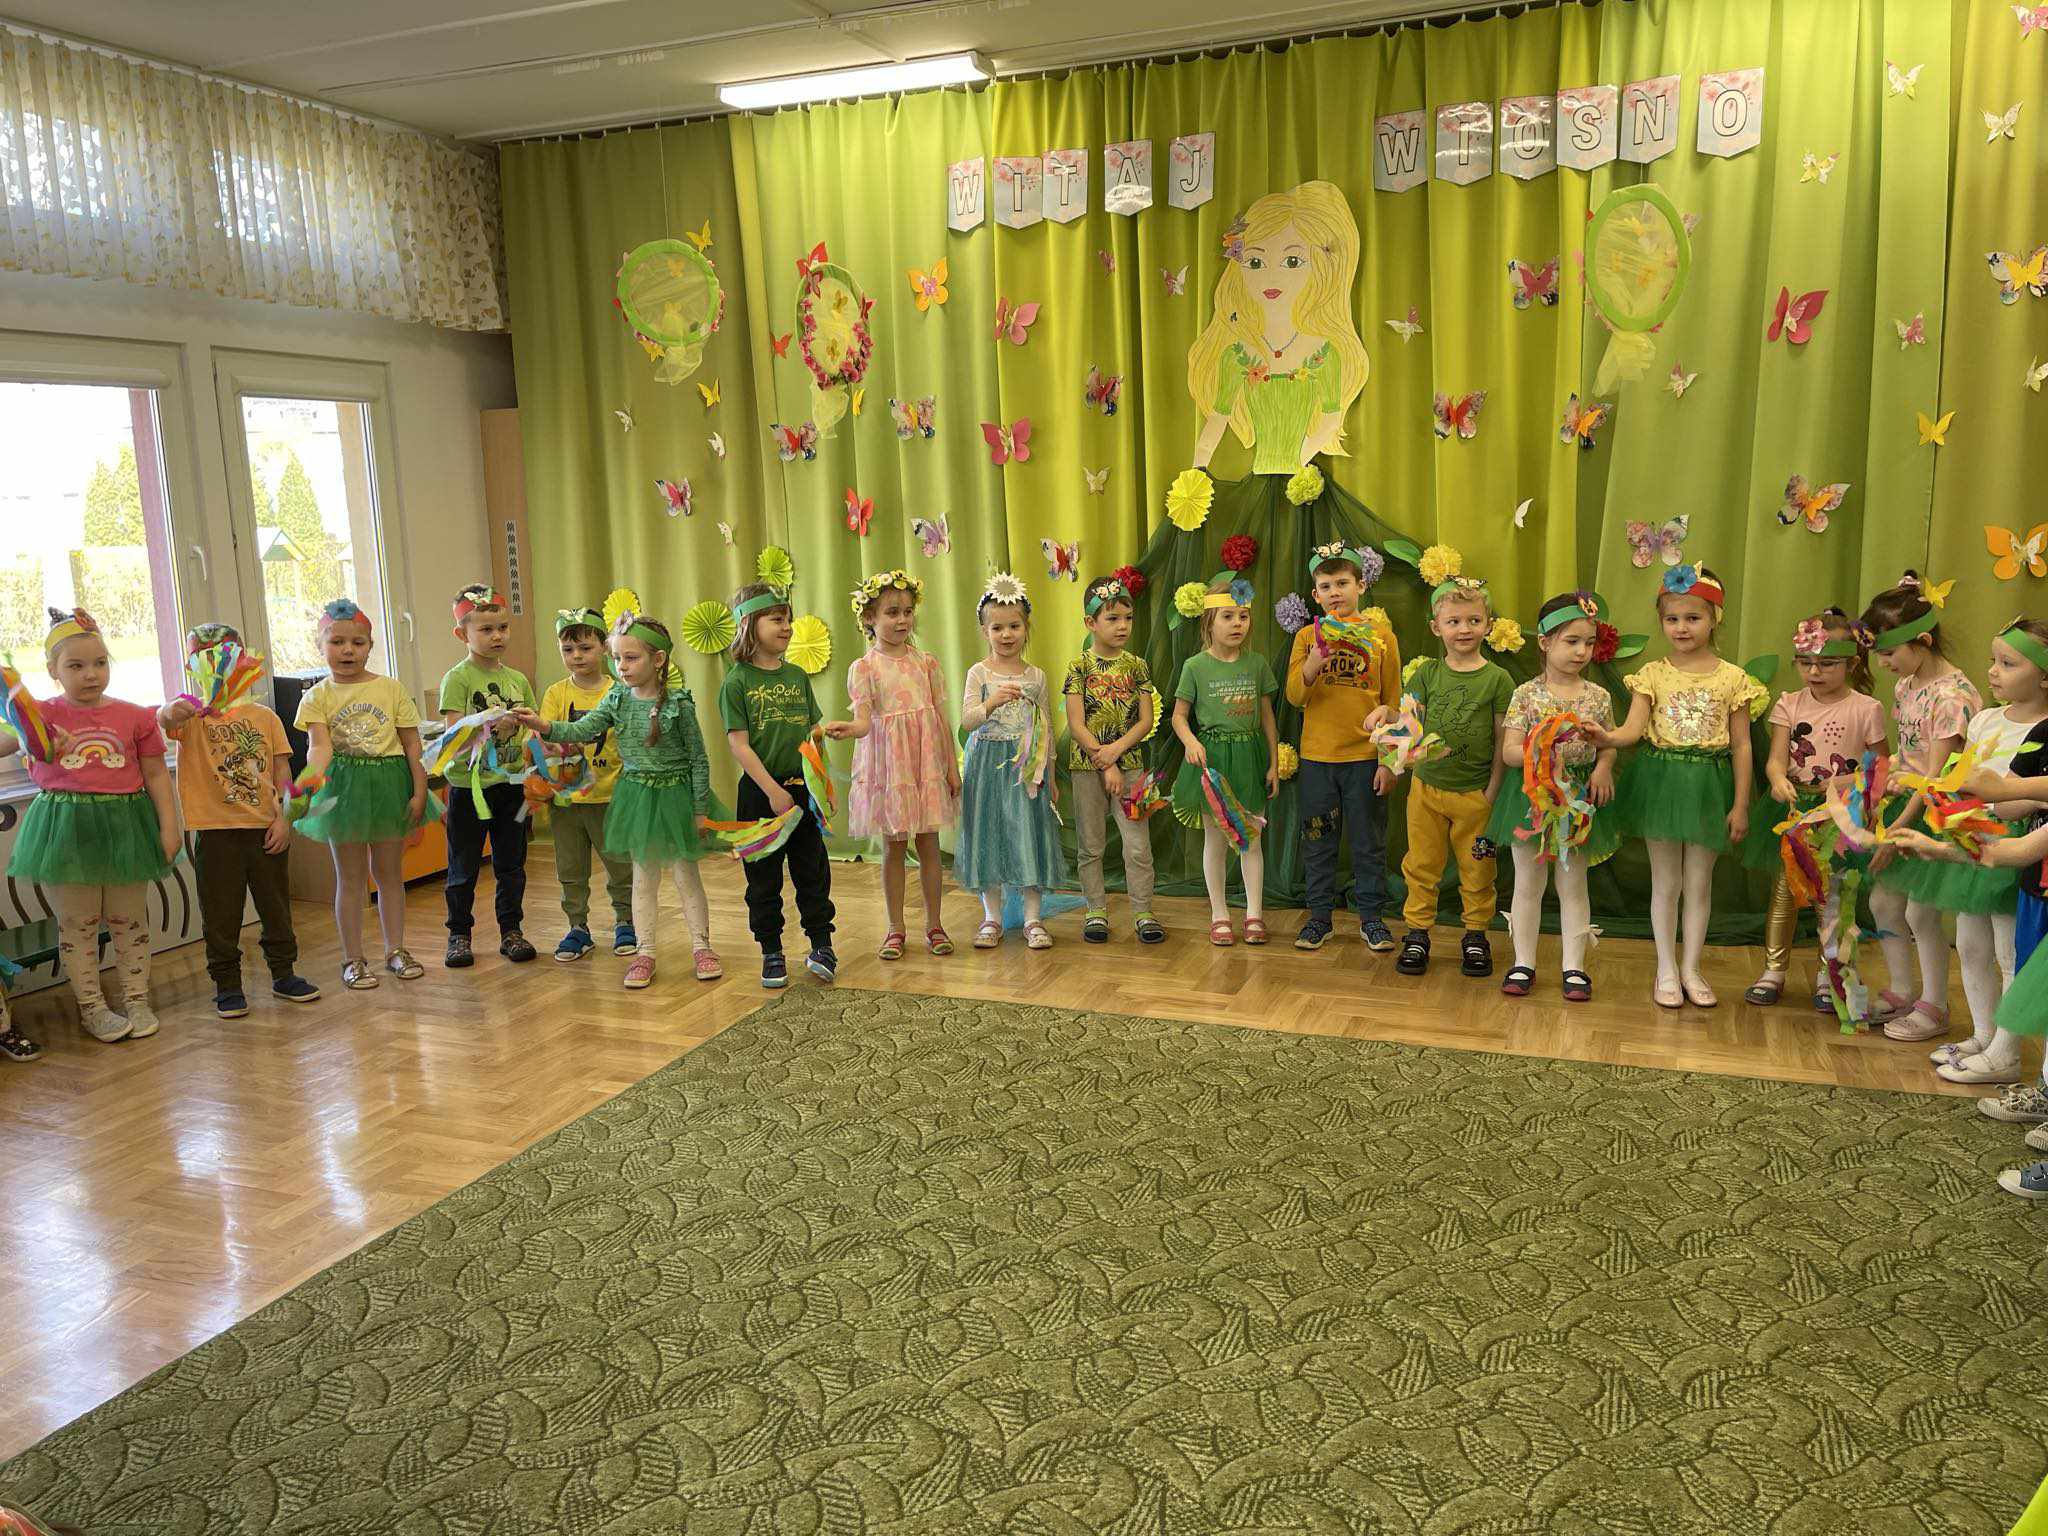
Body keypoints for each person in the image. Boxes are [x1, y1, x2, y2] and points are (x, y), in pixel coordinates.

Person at [512, 607, 721, 989]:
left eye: (631, 658)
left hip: (675, 797)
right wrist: (542, 725)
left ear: (658, 659)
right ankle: (645, 952)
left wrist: (699, 810)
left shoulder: (679, 704)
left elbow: (699, 759)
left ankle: (701, 947)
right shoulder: (616, 699)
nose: (621, 666)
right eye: (617, 658)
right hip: (637, 796)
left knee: (685, 876)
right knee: (643, 878)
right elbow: (581, 729)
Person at [2, 609, 177, 1044]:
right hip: (66, 830)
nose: (91, 674)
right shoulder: (40, 715)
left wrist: (169, 827)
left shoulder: (135, 716)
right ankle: (92, 1008)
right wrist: (28, 736)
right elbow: (10, 739)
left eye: (99, 663)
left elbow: (156, 774)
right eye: (76, 666)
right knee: (78, 924)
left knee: (129, 920)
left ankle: (136, 998)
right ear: (53, 670)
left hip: (126, 826)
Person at [1596, 564, 1765, 1009]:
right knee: (1666, 883)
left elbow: (1742, 745)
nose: (1682, 627)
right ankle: (1666, 969)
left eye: (1693, 618)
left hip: (1710, 785)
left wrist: (1741, 804)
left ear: (1714, 619)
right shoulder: (1652, 673)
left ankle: (1692, 968)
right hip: (1661, 783)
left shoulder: (1733, 678)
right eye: (1672, 619)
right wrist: (1604, 737)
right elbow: (1632, 730)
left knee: (1699, 884)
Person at [157, 622, 320, 1019]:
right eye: (204, 658)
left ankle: (284, 973)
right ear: (193, 666)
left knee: (276, 907)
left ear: (244, 661)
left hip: (265, 828)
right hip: (215, 833)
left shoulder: (265, 717)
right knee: (221, 913)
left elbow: (282, 772)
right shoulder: (189, 715)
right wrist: (169, 709)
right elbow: (163, 720)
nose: (218, 665)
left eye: (226, 656)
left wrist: (284, 819)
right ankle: (227, 985)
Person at [1740, 611, 1889, 1011]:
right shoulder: (1789, 703)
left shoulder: (1867, 708)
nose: (1814, 672)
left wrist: (1845, 783)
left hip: (1840, 814)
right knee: (1785, 892)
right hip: (1795, 810)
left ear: (1852, 663)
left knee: (1834, 897)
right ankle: (1773, 971)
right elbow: (1776, 759)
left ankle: (1830, 974)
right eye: (1805, 663)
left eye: (1826, 663)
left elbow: (1881, 767)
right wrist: (1776, 779)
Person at [1921, 620, 2048, 1082]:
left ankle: (2006, 1053)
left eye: (2008, 663)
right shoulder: (1985, 719)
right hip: (1974, 836)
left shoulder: (2044, 730)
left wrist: (2001, 800)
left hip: (2018, 844)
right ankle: (1984, 1033)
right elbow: (1965, 772)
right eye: (1993, 660)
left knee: (2010, 951)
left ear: (2045, 677)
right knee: (1971, 943)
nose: (1993, 671)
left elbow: (2020, 798)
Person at [1860, 572, 1982, 1041]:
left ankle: (1935, 1005)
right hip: (1906, 804)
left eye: (1889, 653)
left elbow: (1936, 779)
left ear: (1923, 641)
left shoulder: (1952, 698)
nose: (1883, 664)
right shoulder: (1907, 685)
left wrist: (1897, 833)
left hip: (1936, 814)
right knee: (1883, 902)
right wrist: (1876, 790)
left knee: (1921, 913)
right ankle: (1902, 990)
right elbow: (1906, 755)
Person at [294, 599, 438, 990]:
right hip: (344, 791)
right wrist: (305, 785)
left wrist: (419, 790)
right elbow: (319, 748)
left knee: (389, 874)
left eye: (357, 643)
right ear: (321, 646)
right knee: (350, 878)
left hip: (390, 784)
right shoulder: (317, 696)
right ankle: (353, 959)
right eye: (337, 642)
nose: (347, 651)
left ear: (370, 646)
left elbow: (412, 745)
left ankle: (396, 950)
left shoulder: (390, 688)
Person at [1489, 592, 1620, 1001]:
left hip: (1576, 801)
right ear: (1545, 643)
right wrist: (1540, 752)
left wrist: (1603, 766)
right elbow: (1509, 752)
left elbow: (1608, 743)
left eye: (1589, 643)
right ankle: (1523, 962)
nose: (1582, 651)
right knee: (1528, 882)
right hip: (1532, 797)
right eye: (1571, 641)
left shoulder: (1598, 697)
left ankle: (1574, 967)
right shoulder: (1526, 695)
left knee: (1573, 882)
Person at [822, 570, 959, 960]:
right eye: (891, 613)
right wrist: (850, 729)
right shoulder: (864, 668)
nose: (902, 620)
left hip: (925, 766)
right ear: (870, 618)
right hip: (891, 769)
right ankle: (895, 927)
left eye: (907, 612)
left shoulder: (926, 663)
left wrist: (951, 767)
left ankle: (935, 924)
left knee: (929, 844)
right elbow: (865, 723)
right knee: (893, 848)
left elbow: (940, 719)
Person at [1389, 576, 1512, 979]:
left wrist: (1491, 792)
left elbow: (1503, 740)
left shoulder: (1498, 679)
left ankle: (1476, 935)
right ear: (1436, 627)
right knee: (1421, 864)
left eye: (1474, 620)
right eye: (1454, 621)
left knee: (1478, 870)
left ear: (1488, 625)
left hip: (1475, 795)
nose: (1464, 629)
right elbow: (1406, 727)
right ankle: (1417, 933)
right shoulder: (1426, 674)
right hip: (1426, 790)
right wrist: (1386, 744)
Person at [719, 582, 836, 989]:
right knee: (763, 878)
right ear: (749, 625)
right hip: (760, 795)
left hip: (802, 791)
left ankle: (821, 944)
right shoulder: (736, 682)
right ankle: (771, 950)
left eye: (788, 619)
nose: (787, 627)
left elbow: (812, 732)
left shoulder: (798, 676)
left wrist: (823, 774)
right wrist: (771, 790)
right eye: (776, 619)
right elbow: (739, 745)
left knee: (813, 871)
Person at [1287, 541, 1401, 951]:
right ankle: (1320, 917)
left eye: (1342, 583)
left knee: (1369, 843)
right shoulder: (1306, 637)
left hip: (1366, 760)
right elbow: (1294, 697)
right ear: (1315, 595)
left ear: (1361, 586)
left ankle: (1372, 919)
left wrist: (1389, 762)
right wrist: (1312, 664)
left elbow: (1394, 704)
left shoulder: (1383, 637)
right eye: (1326, 586)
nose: (1335, 592)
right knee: (1318, 841)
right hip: (1318, 760)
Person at [958, 574, 1066, 950]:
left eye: (1014, 626)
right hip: (987, 766)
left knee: (1028, 836)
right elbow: (967, 721)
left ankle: (1033, 919)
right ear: (985, 631)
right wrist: (990, 703)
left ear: (1026, 628)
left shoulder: (1036, 676)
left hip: (1026, 769)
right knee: (989, 837)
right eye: (997, 628)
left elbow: (1046, 727)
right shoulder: (979, 673)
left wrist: (1051, 776)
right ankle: (992, 917)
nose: (1007, 635)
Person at [1172, 572, 1280, 946]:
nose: (1237, 624)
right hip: (1212, 764)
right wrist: (1190, 741)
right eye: (1228, 617)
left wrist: (1273, 763)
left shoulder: (1257, 664)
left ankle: (1254, 914)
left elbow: (1267, 717)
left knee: (1251, 840)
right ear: (1209, 623)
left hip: (1249, 759)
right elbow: (1179, 716)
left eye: (1243, 616)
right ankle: (1219, 914)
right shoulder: (1195, 666)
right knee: (1216, 842)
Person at [438, 583, 538, 967]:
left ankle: (512, 930)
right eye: (486, 629)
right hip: (470, 789)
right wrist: (488, 723)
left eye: (502, 628)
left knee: (511, 864)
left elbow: (532, 729)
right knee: (463, 867)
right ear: (462, 634)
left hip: (511, 787)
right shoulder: (458, 679)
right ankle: (459, 934)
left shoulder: (518, 679)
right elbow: (453, 734)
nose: (497, 636)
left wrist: (537, 760)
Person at [1063, 575, 1162, 945]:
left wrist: (1116, 754)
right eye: (1113, 619)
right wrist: (1106, 764)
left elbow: (1145, 720)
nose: (1123, 626)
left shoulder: (1137, 666)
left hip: (1132, 766)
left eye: (1128, 618)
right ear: (1091, 623)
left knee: (1138, 844)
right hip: (1086, 766)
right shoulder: (1079, 667)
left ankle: (1143, 912)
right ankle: (1095, 910)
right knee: (1091, 845)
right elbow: (1076, 724)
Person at [539, 606, 638, 962]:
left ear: (604, 647)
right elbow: (544, 737)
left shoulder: (620, 692)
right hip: (566, 801)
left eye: (585, 647)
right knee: (570, 868)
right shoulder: (555, 693)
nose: (577, 656)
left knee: (621, 865)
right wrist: (548, 748)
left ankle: (626, 920)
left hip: (612, 797)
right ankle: (577, 927)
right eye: (568, 649)